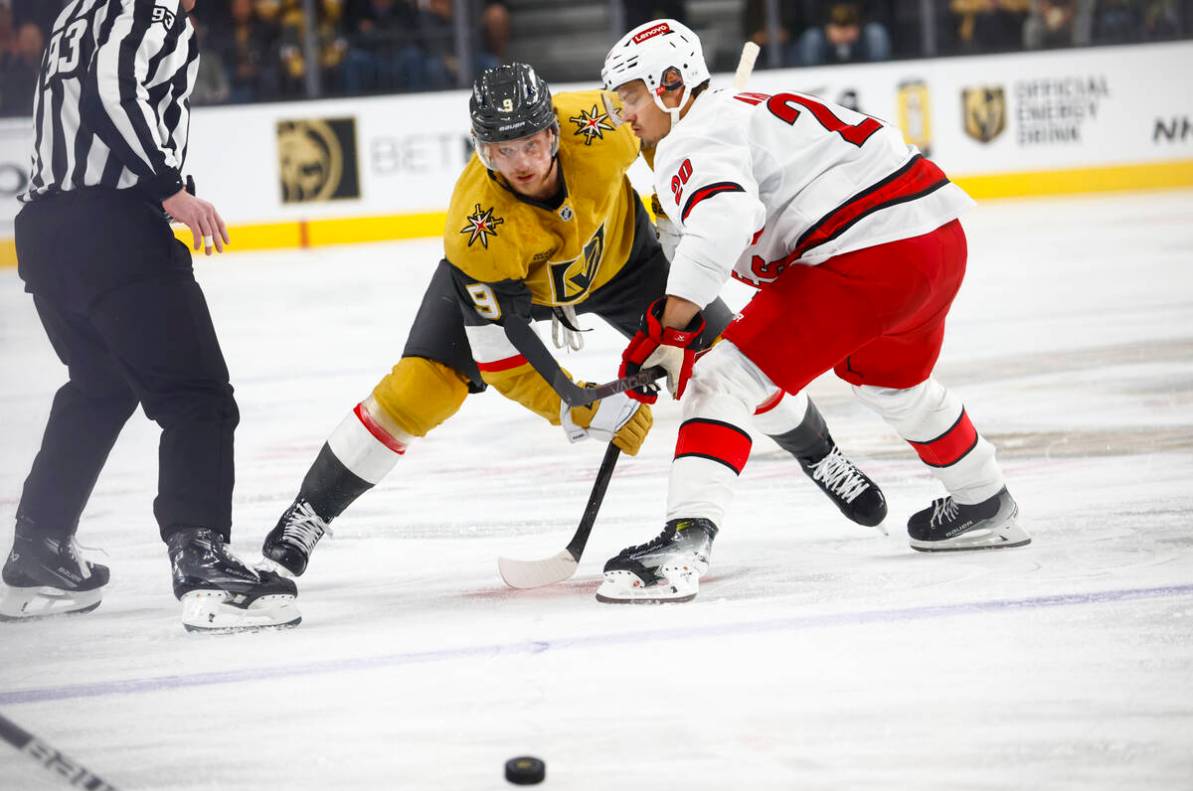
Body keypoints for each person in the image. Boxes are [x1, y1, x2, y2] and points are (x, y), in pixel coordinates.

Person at [260, 63, 886, 582]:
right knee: (421, 386)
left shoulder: (598, 124)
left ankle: (822, 456)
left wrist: (677, 199)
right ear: (481, 150)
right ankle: (308, 514)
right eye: (502, 150)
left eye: (531, 143)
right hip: (519, 295)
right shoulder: (476, 230)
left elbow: (666, 136)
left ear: (555, 132)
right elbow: (502, 359)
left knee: (739, 357)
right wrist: (574, 403)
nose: (522, 161)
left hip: (626, 264)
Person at [597, 19, 1031, 604]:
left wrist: (673, 329)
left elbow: (725, 216)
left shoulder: (690, 138)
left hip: (867, 254)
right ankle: (984, 499)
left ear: (670, 85)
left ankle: (682, 547)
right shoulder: (743, 109)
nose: (624, 113)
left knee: (722, 379)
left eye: (630, 96)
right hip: (936, 238)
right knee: (893, 383)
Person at [0, 0, 299, 632]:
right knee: (198, 398)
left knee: (100, 385)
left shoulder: (77, 11)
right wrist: (168, 187)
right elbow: (110, 88)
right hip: (111, 230)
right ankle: (203, 562)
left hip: (48, 232)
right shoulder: (147, 9)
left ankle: (38, 552)